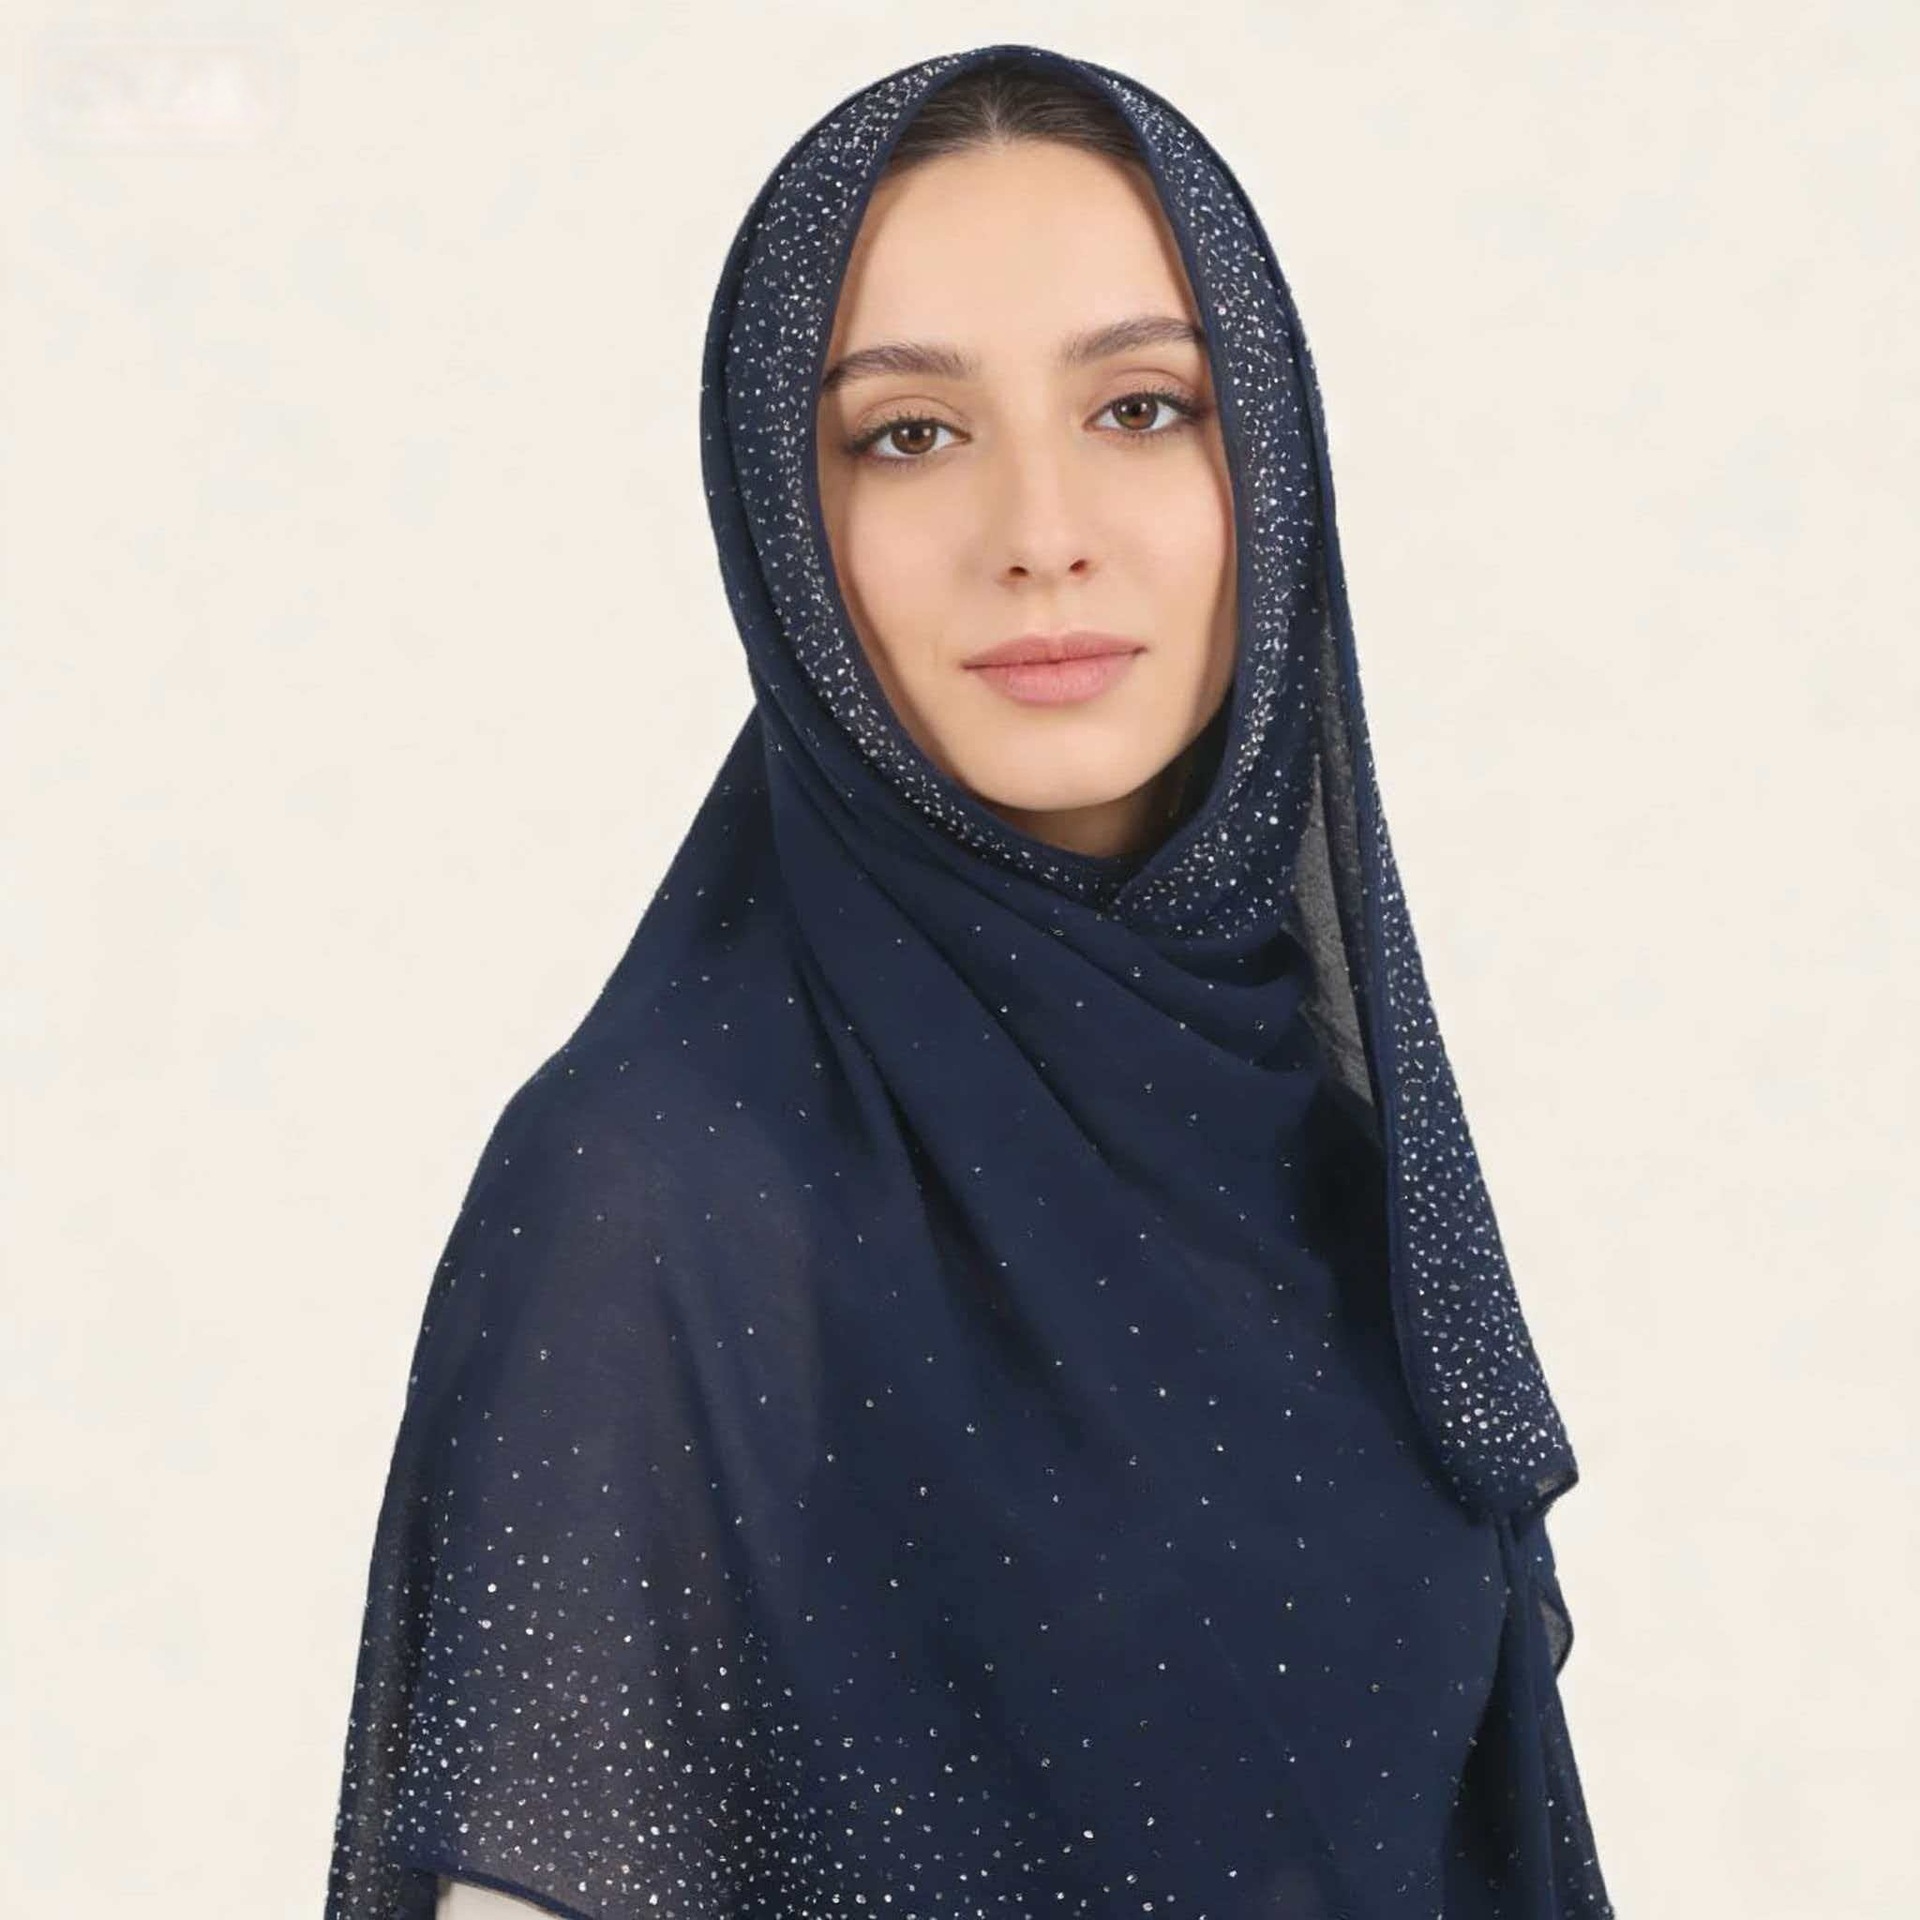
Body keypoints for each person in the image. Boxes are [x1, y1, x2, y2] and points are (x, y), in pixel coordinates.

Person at [326, 43, 1613, 1920]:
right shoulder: (667, 1198)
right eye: (911, 434)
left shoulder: (1320, 1152)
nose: (1040, 534)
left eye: (1144, 407)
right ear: (785, 521)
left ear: (1271, 464)